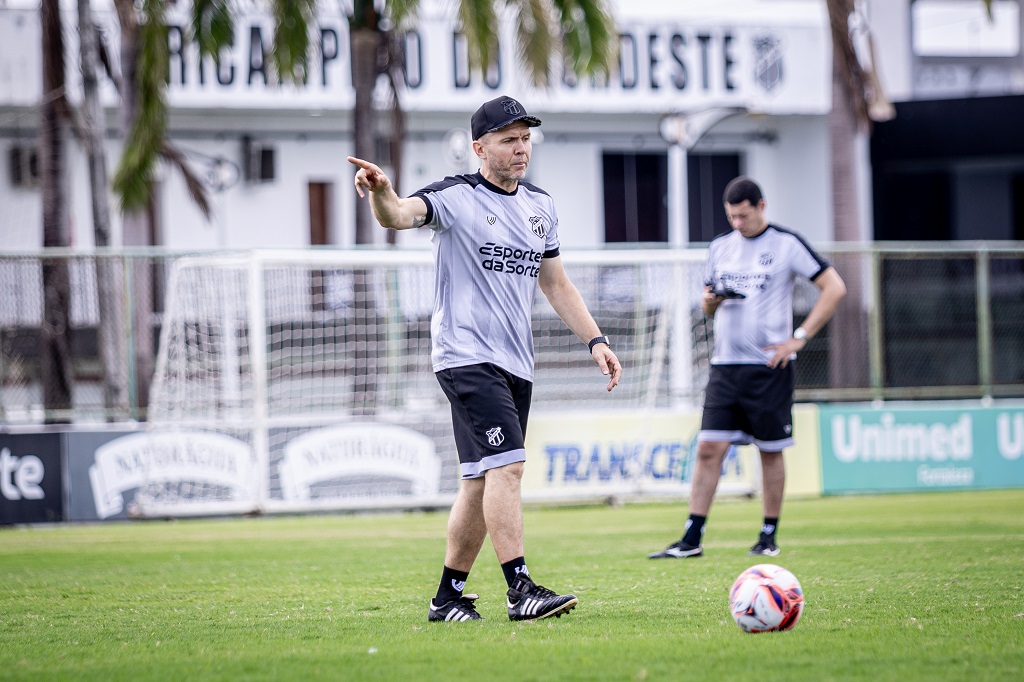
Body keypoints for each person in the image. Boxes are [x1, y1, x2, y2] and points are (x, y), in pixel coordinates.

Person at [348, 95, 622, 623]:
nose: (521, 149)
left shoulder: (541, 206)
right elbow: (399, 216)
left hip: (516, 362)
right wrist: (382, 192)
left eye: (525, 139)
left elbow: (555, 283)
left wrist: (596, 341)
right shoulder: (455, 197)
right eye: (508, 140)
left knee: (480, 480)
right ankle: (520, 590)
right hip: (466, 356)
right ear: (479, 148)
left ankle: (447, 598)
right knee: (509, 466)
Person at [649, 176, 846, 560]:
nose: (737, 223)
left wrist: (799, 337)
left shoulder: (786, 244)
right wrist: (710, 302)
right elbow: (707, 305)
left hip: (769, 366)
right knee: (709, 448)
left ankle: (768, 535)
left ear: (761, 206)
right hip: (725, 366)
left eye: (743, 216)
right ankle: (691, 538)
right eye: (732, 217)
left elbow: (834, 287)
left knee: (769, 451)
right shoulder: (720, 247)